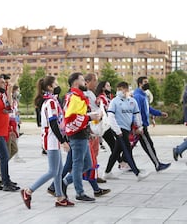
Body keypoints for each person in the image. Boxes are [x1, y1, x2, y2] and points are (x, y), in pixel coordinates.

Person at [21, 76, 74, 209]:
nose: (58, 85)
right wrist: (63, 141)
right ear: (50, 87)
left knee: (58, 170)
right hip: (51, 140)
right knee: (52, 171)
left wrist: (63, 138)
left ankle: (60, 197)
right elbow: (53, 123)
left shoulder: (52, 101)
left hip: (54, 139)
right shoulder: (50, 102)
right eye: (55, 83)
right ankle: (28, 191)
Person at [62, 72, 101, 202]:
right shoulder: (74, 97)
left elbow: (77, 115)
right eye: (82, 80)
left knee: (87, 164)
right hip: (77, 135)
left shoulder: (78, 96)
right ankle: (79, 192)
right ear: (75, 83)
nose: (85, 82)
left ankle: (65, 182)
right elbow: (70, 117)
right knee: (78, 164)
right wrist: (90, 117)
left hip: (82, 133)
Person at [103, 81, 149, 181]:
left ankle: (107, 172)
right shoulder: (114, 101)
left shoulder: (132, 101)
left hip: (127, 129)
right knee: (127, 150)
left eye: (124, 89)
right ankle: (137, 173)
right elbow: (110, 117)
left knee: (116, 152)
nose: (123, 91)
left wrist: (139, 127)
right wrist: (117, 130)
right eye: (120, 89)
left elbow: (137, 115)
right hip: (119, 129)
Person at [133, 76, 171, 172]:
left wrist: (159, 113)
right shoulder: (138, 96)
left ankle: (124, 161)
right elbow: (136, 112)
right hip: (141, 126)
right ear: (140, 84)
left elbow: (148, 108)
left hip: (143, 125)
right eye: (145, 82)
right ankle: (157, 165)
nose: (147, 83)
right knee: (148, 144)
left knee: (127, 146)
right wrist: (138, 126)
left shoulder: (143, 95)